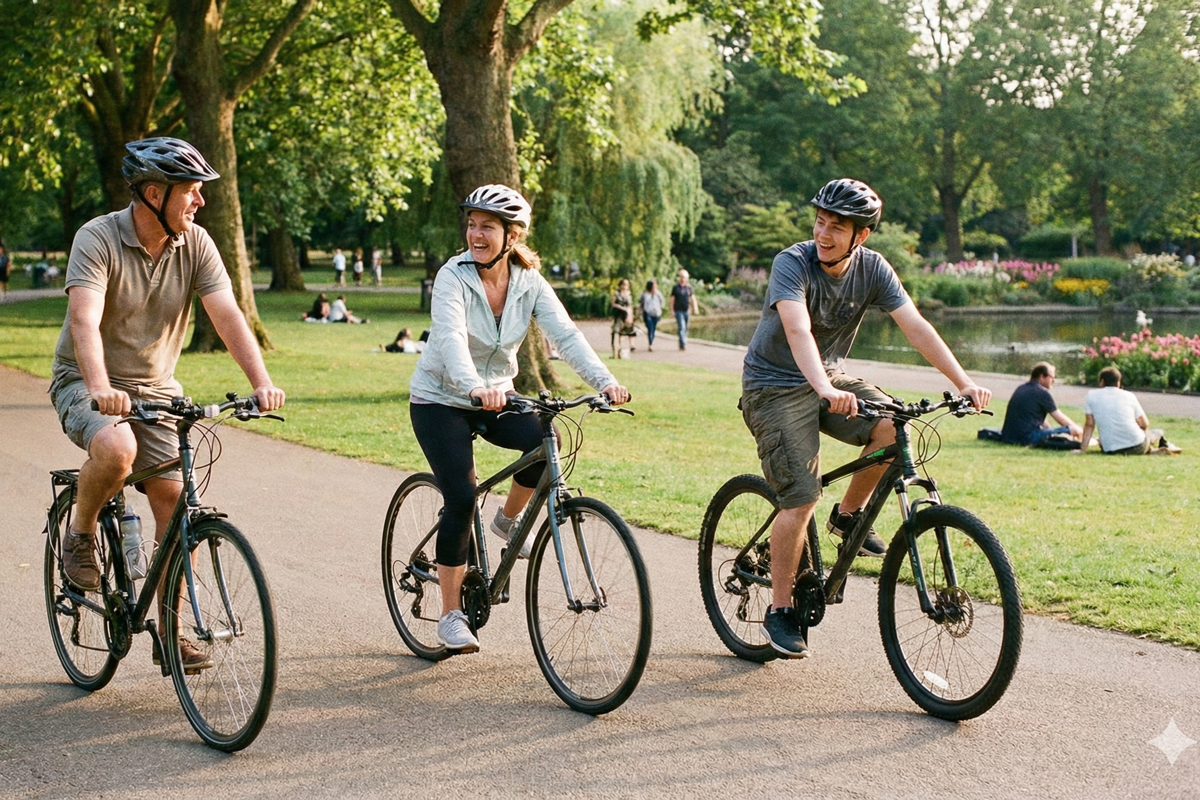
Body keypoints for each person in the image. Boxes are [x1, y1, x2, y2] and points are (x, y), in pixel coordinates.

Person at [48, 137, 286, 669]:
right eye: (192, 192)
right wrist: (100, 387)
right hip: (87, 381)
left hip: (158, 391)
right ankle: (81, 533)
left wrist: (261, 381)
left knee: (176, 506)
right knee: (115, 449)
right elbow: (84, 321)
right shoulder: (98, 238)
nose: (200, 202)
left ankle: (171, 631)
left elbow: (227, 317)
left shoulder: (196, 243)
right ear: (154, 193)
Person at [740, 178, 991, 659]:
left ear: (862, 236)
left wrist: (962, 382)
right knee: (800, 496)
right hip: (773, 386)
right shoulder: (792, 263)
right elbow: (797, 328)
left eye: (838, 226)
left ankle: (848, 515)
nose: (825, 233)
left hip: (829, 378)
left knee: (893, 429)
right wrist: (824, 389)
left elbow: (915, 325)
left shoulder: (873, 269)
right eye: (820, 221)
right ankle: (779, 609)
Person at [409, 183, 629, 653]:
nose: (475, 234)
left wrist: (604, 381)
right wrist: (473, 386)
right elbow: (448, 338)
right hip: (441, 399)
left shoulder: (528, 280)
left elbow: (566, 336)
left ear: (512, 237)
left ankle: (508, 522)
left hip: (496, 393)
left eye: (487, 226)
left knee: (547, 441)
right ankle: (449, 615)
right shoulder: (453, 276)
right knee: (462, 495)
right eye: (471, 224)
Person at [1077, 366, 1181, 455]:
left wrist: (1082, 449)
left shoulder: (1091, 396)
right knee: (1156, 432)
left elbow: (1089, 425)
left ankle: (1153, 450)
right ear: (1118, 383)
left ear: (1102, 382)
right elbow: (1144, 424)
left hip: (1109, 449)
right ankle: (1157, 446)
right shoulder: (1129, 396)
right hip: (1137, 445)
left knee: (1102, 440)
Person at [999, 362, 1082, 447]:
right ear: (1042, 377)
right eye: (1052, 377)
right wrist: (1079, 431)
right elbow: (1061, 419)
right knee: (1074, 429)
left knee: (1052, 431)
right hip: (1027, 438)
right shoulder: (1042, 393)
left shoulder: (1021, 388)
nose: (1053, 381)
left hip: (1009, 437)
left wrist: (1050, 431)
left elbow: (1041, 420)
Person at [670, 268, 699, 350]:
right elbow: (672, 299)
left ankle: (683, 341)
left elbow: (693, 298)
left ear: (687, 278)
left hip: (686, 310)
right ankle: (683, 344)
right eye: (681, 277)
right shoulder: (676, 288)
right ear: (679, 277)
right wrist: (671, 310)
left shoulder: (689, 288)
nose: (682, 278)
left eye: (684, 277)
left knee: (686, 327)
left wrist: (695, 308)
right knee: (681, 327)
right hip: (678, 310)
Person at [610, 278, 637, 358]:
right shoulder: (616, 293)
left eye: (627, 285)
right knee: (617, 331)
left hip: (627, 316)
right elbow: (613, 304)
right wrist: (621, 307)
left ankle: (631, 345)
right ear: (621, 285)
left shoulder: (629, 294)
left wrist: (631, 314)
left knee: (630, 331)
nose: (625, 286)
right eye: (624, 284)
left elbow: (630, 305)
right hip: (619, 315)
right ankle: (617, 350)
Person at [640, 279, 664, 351]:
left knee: (653, 329)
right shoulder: (645, 295)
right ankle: (650, 344)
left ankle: (651, 342)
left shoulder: (658, 294)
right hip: (648, 313)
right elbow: (641, 304)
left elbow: (662, 302)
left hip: (656, 313)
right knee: (650, 328)